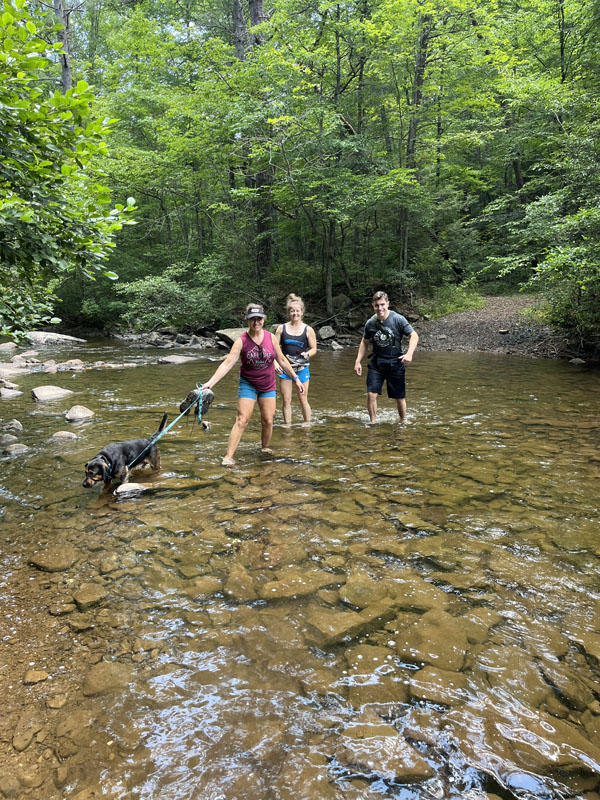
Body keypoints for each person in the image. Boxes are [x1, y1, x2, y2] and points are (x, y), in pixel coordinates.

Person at [201, 303, 304, 465]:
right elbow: (227, 364)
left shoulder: (271, 338)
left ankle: (265, 448)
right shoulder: (242, 341)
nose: (256, 322)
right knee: (242, 419)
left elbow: (282, 360)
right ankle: (228, 456)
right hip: (248, 384)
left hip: (268, 385)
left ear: (264, 319)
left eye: (259, 319)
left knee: (268, 420)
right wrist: (210, 383)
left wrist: (295, 378)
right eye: (252, 319)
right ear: (247, 320)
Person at [354, 291, 419, 423]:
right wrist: (357, 361)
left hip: (396, 362)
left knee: (399, 397)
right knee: (371, 394)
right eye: (377, 305)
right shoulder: (370, 323)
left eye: (382, 304)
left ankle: (403, 421)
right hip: (377, 363)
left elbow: (414, 335)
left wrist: (409, 353)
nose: (380, 308)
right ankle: (373, 422)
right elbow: (364, 342)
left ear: (388, 304)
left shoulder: (398, 319)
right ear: (373, 306)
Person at [274, 294, 318, 425]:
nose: (295, 313)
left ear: (302, 312)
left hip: (302, 369)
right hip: (285, 370)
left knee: (303, 399)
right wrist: (275, 362)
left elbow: (314, 348)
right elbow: (273, 349)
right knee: (286, 400)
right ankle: (287, 426)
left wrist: (308, 354)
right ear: (288, 313)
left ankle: (307, 424)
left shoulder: (308, 330)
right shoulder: (281, 329)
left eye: (297, 311)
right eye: (292, 311)